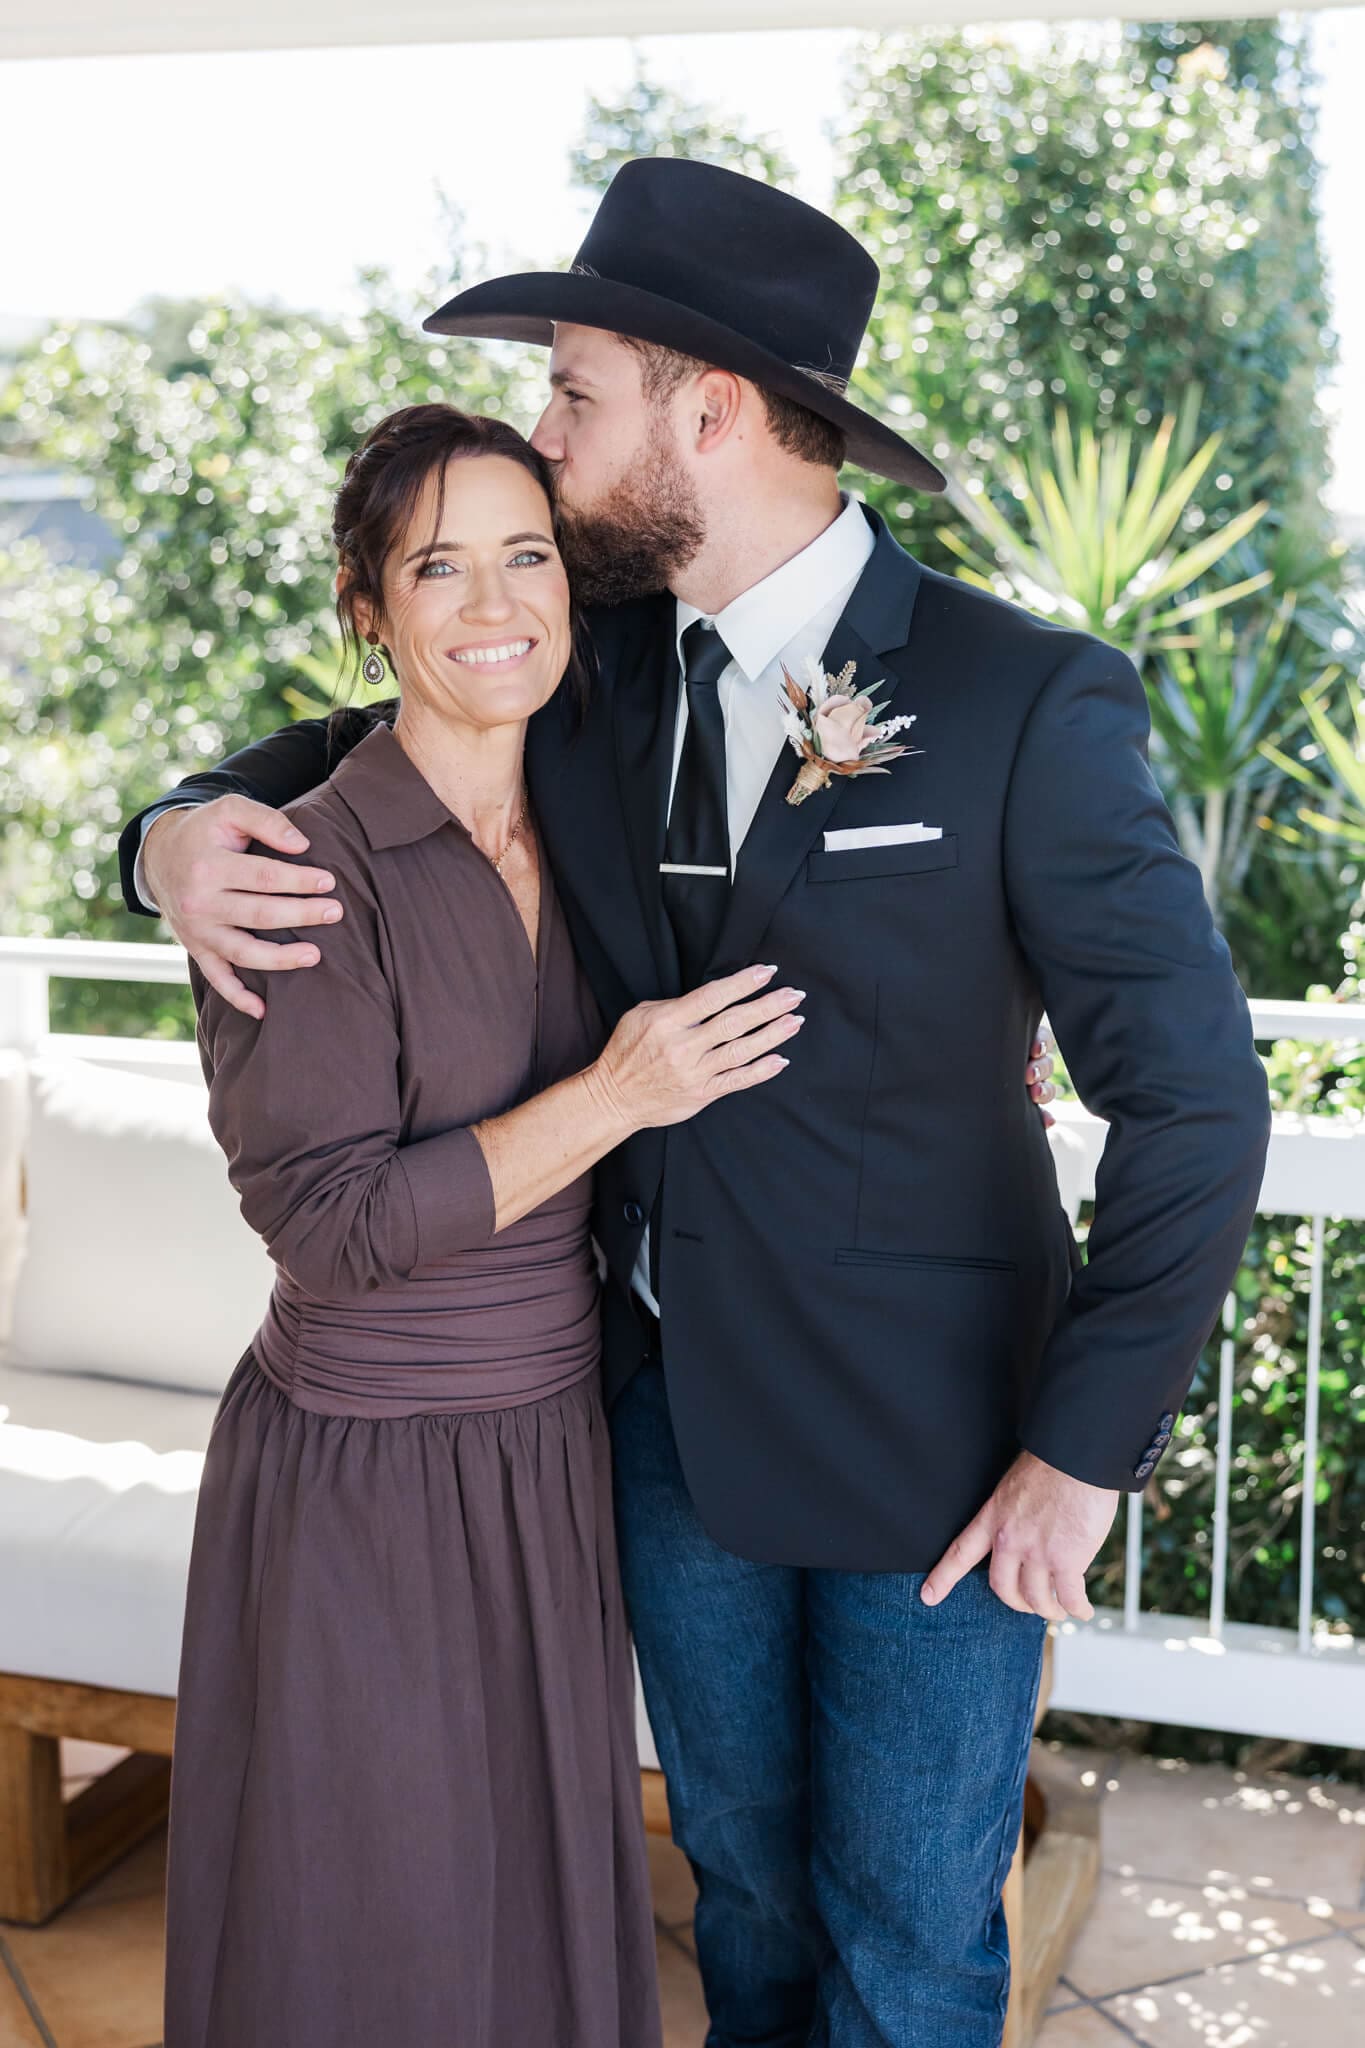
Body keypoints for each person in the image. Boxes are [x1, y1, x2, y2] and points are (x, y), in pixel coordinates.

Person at [121, 160, 1269, 2048]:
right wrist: (165, 838)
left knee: (903, 1948)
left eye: (575, 393)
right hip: (664, 1448)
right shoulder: (589, 666)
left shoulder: (1018, 698)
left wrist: (1080, 1451)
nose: (547, 444)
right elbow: (350, 741)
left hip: (946, 1465)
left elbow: (1198, 1108)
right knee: (733, 1906)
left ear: (706, 412)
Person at [161, 405, 810, 2048]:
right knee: (369, 1926)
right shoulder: (300, 871)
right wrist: (616, 1091)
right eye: (436, 567)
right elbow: (332, 1226)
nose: (493, 601)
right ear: (366, 610)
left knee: (530, 1922)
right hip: (365, 1475)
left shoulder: (597, 810)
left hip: (550, 1448)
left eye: (525, 555)